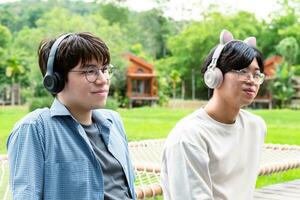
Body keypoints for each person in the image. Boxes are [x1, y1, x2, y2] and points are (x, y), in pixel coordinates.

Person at [7, 32, 136, 199]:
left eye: (104, 69)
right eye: (90, 71)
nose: (103, 79)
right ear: (55, 79)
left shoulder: (113, 121)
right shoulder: (34, 129)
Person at [161, 30, 267, 200]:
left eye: (256, 74)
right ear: (214, 75)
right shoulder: (189, 137)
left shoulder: (256, 126)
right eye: (241, 71)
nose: (251, 80)